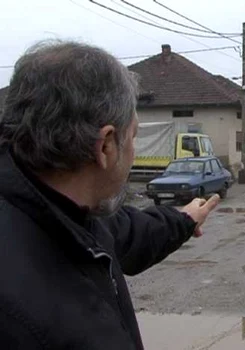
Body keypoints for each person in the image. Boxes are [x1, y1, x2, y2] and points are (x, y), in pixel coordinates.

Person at [0, 40, 219, 349]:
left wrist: (185, 218)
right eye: (134, 136)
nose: (133, 150)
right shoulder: (30, 321)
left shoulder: (64, 211)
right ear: (106, 146)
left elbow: (134, 232)